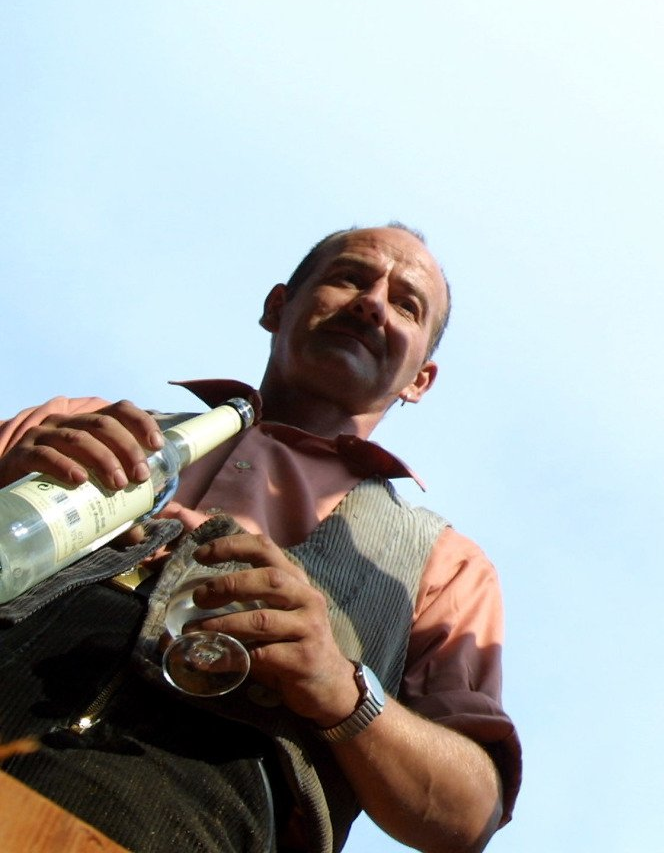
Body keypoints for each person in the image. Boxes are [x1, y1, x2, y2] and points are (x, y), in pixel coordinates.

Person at [0, 224, 515, 853]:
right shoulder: (74, 423)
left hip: (182, 815)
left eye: (406, 304)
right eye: (349, 277)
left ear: (420, 381)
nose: (371, 303)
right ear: (278, 307)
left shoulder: (446, 565)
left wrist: (340, 687)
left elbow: (467, 815)